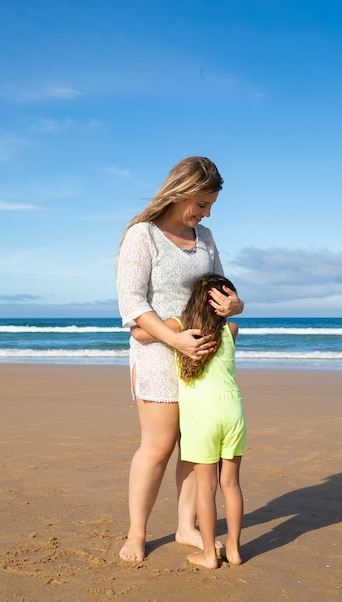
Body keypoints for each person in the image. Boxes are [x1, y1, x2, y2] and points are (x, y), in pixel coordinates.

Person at [116, 156, 244, 562]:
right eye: (202, 204)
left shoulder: (205, 236)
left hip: (201, 355)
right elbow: (132, 304)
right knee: (158, 445)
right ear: (181, 192)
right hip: (158, 351)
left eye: (209, 207)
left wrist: (236, 305)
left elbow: (219, 287)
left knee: (197, 446)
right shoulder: (143, 235)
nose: (205, 214)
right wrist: (175, 339)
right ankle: (137, 534)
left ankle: (186, 527)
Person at [132, 273, 246, 569]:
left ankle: (209, 554)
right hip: (234, 413)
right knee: (231, 484)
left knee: (206, 488)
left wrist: (165, 329)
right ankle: (233, 550)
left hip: (201, 417)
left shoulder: (180, 326)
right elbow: (227, 324)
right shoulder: (231, 329)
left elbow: (139, 334)